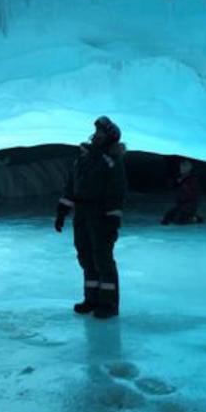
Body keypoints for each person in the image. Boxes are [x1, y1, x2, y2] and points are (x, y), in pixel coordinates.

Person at [54, 116, 127, 319]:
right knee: (86, 256)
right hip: (82, 214)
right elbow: (71, 186)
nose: (96, 135)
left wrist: (113, 217)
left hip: (100, 215)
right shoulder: (83, 159)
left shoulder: (111, 162)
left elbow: (116, 191)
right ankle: (92, 299)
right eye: (96, 131)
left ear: (109, 137)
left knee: (102, 258)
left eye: (101, 132)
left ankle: (108, 303)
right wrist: (62, 210)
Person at [161, 159, 204, 225]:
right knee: (168, 216)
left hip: (190, 205)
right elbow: (172, 186)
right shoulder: (179, 177)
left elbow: (194, 193)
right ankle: (187, 216)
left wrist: (183, 183)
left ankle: (194, 218)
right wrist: (176, 182)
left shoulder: (192, 179)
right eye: (181, 167)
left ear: (189, 168)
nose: (182, 169)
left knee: (179, 220)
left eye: (184, 167)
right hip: (181, 204)